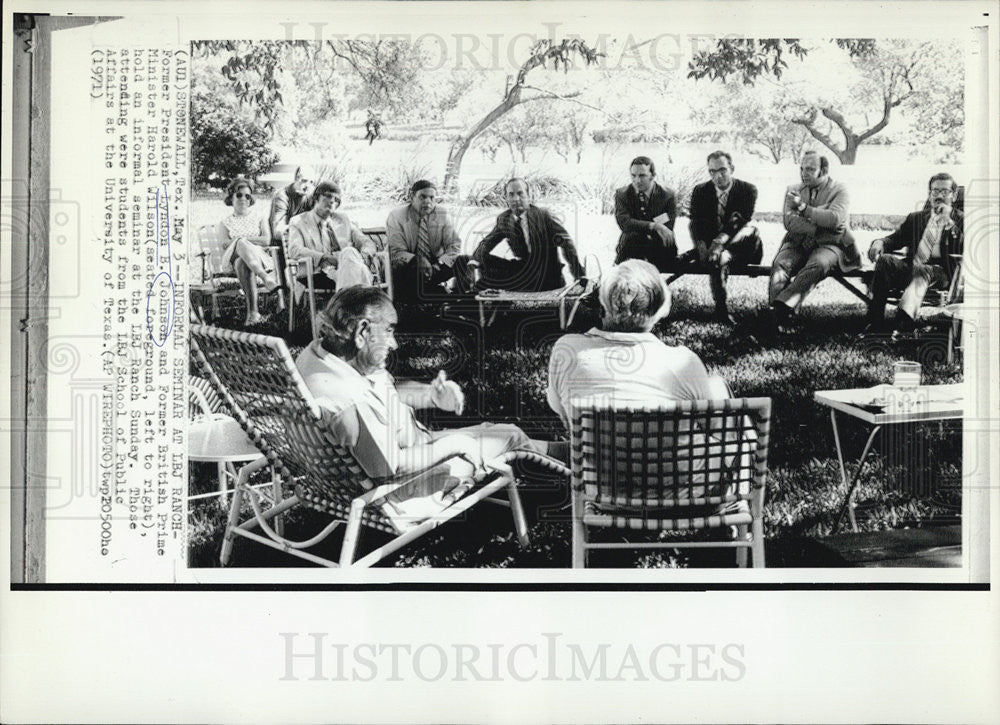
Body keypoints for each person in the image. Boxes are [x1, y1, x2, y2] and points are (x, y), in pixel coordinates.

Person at [296, 287, 565, 531]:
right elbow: (390, 468)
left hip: (355, 480)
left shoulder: (319, 357)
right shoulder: (350, 400)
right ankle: (571, 474)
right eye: (389, 331)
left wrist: (430, 396)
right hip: (399, 494)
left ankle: (560, 452)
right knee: (508, 436)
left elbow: (383, 389)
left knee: (491, 433)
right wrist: (455, 444)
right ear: (363, 332)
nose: (394, 343)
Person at [546, 260, 721, 427]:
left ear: (601, 305)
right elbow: (713, 426)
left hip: (594, 456)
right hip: (671, 457)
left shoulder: (567, 350)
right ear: (660, 308)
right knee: (719, 388)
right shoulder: (684, 363)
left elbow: (559, 408)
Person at [767, 151, 862, 331]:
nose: (804, 173)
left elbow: (834, 219)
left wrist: (804, 208)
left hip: (830, 245)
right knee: (781, 264)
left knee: (817, 265)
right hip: (798, 242)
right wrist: (818, 227)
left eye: (810, 169)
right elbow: (789, 222)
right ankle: (783, 318)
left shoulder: (839, 190)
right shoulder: (793, 190)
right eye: (802, 168)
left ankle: (779, 309)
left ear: (823, 170)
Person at [865, 173, 964, 333]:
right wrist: (880, 242)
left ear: (954, 195)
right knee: (885, 260)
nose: (939, 196)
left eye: (945, 192)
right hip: (912, 267)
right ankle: (875, 323)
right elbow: (895, 239)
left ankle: (903, 322)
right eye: (935, 191)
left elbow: (970, 248)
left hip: (943, 273)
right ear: (929, 194)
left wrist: (950, 224)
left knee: (924, 269)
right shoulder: (916, 218)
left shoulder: (962, 220)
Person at [687, 150, 763, 324]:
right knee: (719, 259)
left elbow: (739, 220)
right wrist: (701, 246)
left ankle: (697, 255)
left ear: (732, 169)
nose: (718, 176)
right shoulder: (701, 191)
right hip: (718, 252)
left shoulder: (747, 190)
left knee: (750, 230)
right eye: (712, 171)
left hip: (744, 247)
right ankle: (721, 311)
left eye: (722, 170)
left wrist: (717, 243)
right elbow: (695, 222)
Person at [471, 178, 585, 292]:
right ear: (506, 199)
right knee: (482, 259)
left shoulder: (543, 216)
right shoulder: (504, 219)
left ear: (528, 195)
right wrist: (473, 262)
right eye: (511, 195)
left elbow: (566, 243)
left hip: (547, 275)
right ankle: (478, 291)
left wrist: (579, 275)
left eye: (520, 193)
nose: (516, 199)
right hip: (523, 270)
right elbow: (487, 242)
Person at [386, 180, 474, 301]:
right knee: (411, 270)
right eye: (423, 197)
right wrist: (417, 260)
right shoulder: (396, 216)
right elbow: (396, 250)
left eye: (432, 198)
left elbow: (454, 245)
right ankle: (427, 300)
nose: (428, 202)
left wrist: (439, 264)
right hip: (410, 266)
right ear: (412, 197)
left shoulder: (442, 214)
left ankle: (459, 302)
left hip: (436, 265)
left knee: (466, 261)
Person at [216, 177, 283, 327]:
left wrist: (242, 241)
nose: (243, 199)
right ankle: (265, 278)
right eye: (239, 195)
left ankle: (253, 313)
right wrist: (242, 241)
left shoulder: (259, 218)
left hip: (257, 257)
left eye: (247, 196)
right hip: (232, 256)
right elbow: (224, 243)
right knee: (239, 244)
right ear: (231, 197)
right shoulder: (225, 222)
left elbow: (266, 240)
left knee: (242, 262)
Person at [286, 181, 376, 292]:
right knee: (356, 268)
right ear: (316, 198)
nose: (332, 201)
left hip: (344, 267)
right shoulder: (299, 221)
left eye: (337, 199)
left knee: (348, 253)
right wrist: (324, 257)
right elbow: (295, 250)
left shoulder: (343, 219)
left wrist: (365, 254)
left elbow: (366, 242)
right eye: (328, 196)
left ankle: (345, 304)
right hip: (317, 271)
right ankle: (362, 301)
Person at [613, 156, 678, 271]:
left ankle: (617, 269)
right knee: (632, 238)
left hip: (659, 246)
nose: (637, 180)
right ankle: (616, 274)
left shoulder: (668, 195)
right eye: (633, 175)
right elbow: (625, 223)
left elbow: (668, 225)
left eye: (642, 175)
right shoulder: (622, 194)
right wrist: (654, 226)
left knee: (634, 237)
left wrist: (638, 225)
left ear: (653, 175)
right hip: (631, 246)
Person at [268, 165, 316, 244]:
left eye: (311, 182)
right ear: (296, 179)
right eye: (304, 181)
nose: (307, 186)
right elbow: (277, 230)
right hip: (283, 244)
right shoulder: (282, 196)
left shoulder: (311, 195)